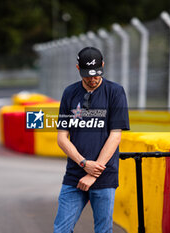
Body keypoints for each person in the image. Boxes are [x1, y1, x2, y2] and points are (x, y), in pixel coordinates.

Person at [53, 47, 130, 233]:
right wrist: (83, 163)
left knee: (103, 230)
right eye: (87, 75)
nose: (92, 79)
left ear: (102, 66)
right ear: (78, 68)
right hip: (74, 174)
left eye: (96, 74)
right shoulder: (70, 93)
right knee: (61, 230)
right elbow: (62, 137)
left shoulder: (115, 92)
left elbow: (115, 135)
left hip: (104, 175)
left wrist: (93, 173)